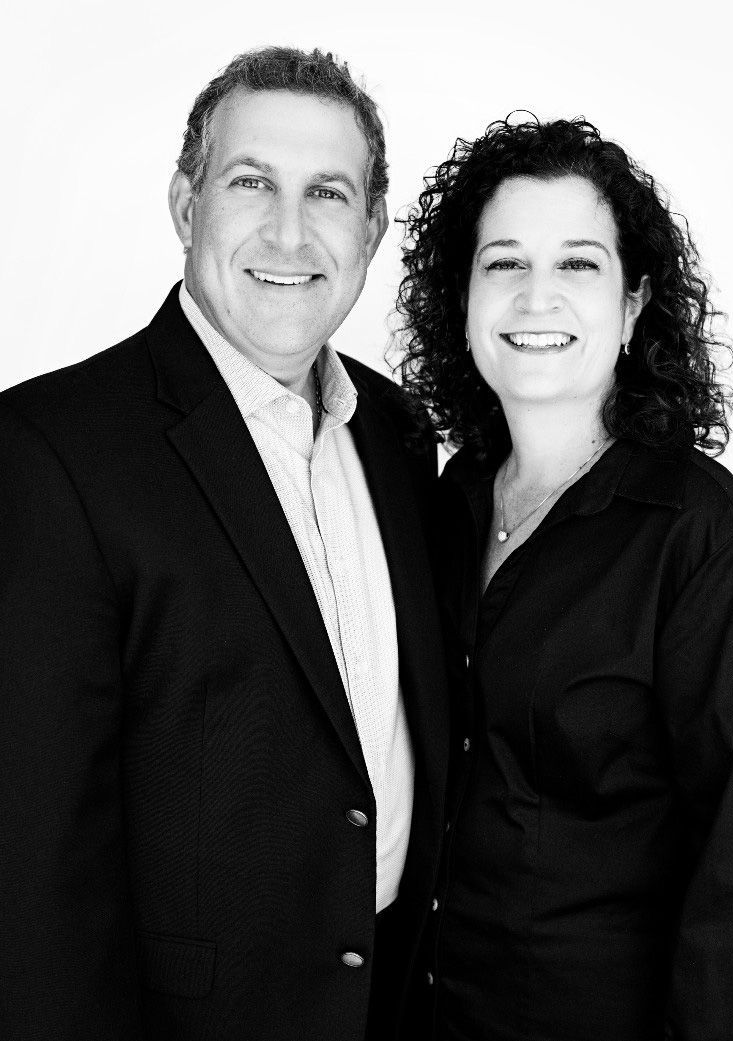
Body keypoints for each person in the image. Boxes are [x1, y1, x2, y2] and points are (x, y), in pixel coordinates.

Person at [0, 46, 448, 1041]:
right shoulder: (49, 454)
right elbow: (32, 870)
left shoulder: (397, 432)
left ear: (371, 228)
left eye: (328, 193)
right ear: (183, 202)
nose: (289, 231)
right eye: (251, 182)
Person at [396, 114, 733, 1040]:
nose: (537, 297)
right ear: (463, 296)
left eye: (578, 264)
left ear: (631, 305)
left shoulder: (706, 544)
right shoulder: (443, 505)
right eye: (504, 263)